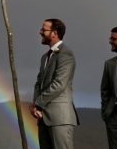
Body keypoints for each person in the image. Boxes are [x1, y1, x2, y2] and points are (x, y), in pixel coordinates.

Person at [30, 18, 79, 149]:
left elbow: (59, 84)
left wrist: (37, 103)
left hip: (60, 118)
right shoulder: (44, 57)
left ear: (54, 33)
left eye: (43, 30)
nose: (40, 32)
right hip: (43, 118)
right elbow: (38, 83)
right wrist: (36, 107)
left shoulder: (66, 54)